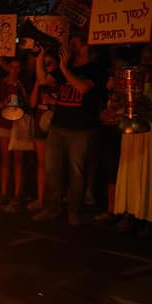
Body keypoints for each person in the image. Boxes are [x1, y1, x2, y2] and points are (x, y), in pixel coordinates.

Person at [33, 39, 102, 226]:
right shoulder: (67, 65)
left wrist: (64, 68)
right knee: (51, 169)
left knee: (76, 172)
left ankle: (74, 211)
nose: (72, 45)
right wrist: (39, 59)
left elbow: (82, 87)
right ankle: (51, 208)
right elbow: (42, 80)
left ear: (87, 47)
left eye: (76, 42)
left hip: (80, 129)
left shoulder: (94, 69)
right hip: (58, 125)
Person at [114, 46, 152, 235]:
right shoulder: (130, 81)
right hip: (133, 133)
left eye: (150, 59)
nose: (146, 63)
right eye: (144, 59)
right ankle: (130, 213)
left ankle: (151, 218)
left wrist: (145, 100)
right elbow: (120, 106)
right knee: (130, 172)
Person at [27, 50, 59, 211]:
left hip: (55, 128)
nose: (46, 67)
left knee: (54, 165)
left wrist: (53, 101)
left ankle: (53, 199)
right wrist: (37, 86)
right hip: (40, 127)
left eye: (49, 63)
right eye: (44, 64)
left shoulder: (60, 83)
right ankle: (40, 198)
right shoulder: (41, 84)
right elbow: (32, 104)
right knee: (41, 164)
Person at [0, 57, 28, 211]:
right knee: (5, 159)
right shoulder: (1, 83)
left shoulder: (22, 83)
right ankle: (3, 193)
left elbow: (28, 101)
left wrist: (20, 87)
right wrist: (0, 105)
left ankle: (17, 194)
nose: (15, 70)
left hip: (18, 123)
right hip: (4, 122)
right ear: (8, 67)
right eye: (12, 66)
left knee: (18, 160)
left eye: (18, 67)